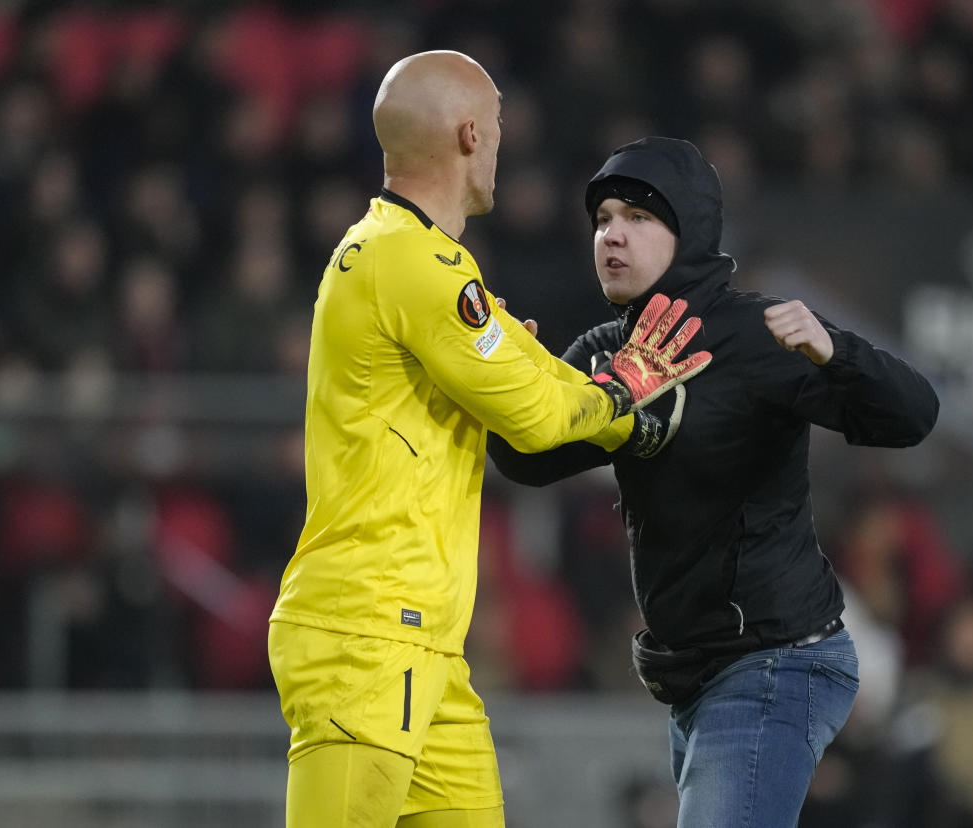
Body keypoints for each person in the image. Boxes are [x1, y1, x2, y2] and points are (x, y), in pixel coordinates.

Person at [267, 56, 710, 828]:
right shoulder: (418, 266)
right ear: (471, 133)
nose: (502, 144)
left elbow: (530, 378)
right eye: (498, 126)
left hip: (427, 645)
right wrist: (629, 398)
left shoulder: (411, 264)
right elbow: (538, 414)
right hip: (365, 635)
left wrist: (570, 387)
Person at [487, 136, 940, 827]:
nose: (612, 234)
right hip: (696, 675)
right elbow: (525, 461)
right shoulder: (609, 351)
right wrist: (514, 383)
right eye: (603, 217)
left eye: (639, 217)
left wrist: (839, 350)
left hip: (775, 660)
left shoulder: (756, 334)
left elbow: (914, 415)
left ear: (689, 230)